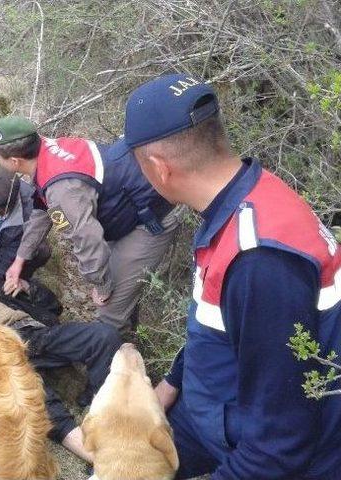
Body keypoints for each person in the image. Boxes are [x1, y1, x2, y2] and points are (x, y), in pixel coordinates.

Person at [125, 73, 341, 479]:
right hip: (215, 411)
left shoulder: (259, 260)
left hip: (267, 449)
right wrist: (171, 384)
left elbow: (279, 446)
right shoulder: (247, 194)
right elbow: (222, 327)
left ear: (158, 168)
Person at [0, 117, 179, 335]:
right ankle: (129, 327)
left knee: (108, 313)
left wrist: (101, 285)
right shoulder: (47, 149)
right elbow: (44, 211)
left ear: (14, 161)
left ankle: (119, 359)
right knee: (117, 291)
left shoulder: (61, 189)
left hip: (147, 222)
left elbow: (87, 241)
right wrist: (20, 259)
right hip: (125, 209)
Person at [0, 273, 122, 463]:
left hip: (37, 335)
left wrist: (28, 286)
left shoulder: (2, 290)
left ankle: (100, 404)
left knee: (105, 336)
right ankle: (100, 459)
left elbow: (54, 306)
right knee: (33, 398)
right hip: (2, 353)